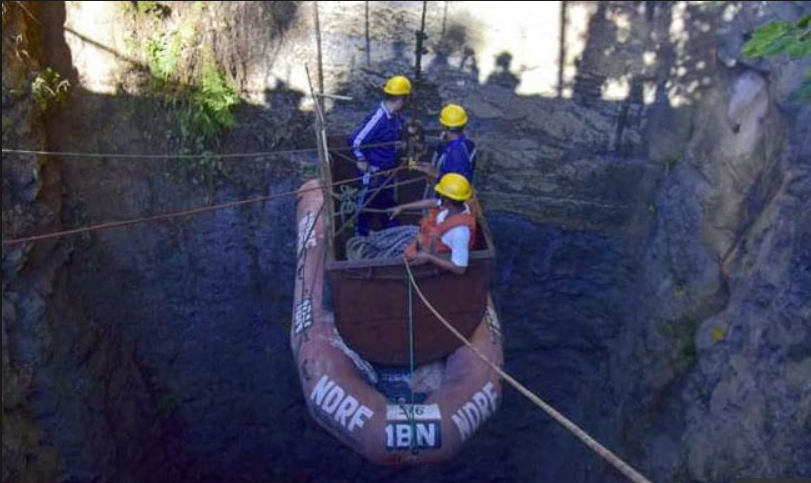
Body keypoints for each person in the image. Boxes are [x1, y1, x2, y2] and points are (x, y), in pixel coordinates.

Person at [348, 75, 412, 236]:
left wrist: (400, 141)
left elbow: (393, 133)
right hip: (374, 172)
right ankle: (360, 237)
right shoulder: (379, 118)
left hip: (387, 172)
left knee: (387, 202)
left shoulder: (395, 116)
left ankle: (392, 232)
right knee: (365, 204)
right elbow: (356, 140)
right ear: (401, 99)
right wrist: (361, 159)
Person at [389, 173, 476, 275]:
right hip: (425, 242)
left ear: (447, 200)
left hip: (429, 254)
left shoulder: (460, 233)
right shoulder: (457, 206)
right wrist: (402, 207)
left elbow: (460, 268)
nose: (440, 197)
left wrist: (429, 258)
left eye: (441, 195)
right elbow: (433, 202)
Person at [411, 103, 476, 184]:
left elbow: (457, 185)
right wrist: (422, 139)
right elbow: (443, 144)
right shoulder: (466, 143)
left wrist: (437, 174)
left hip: (448, 193)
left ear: (444, 126)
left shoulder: (457, 155)